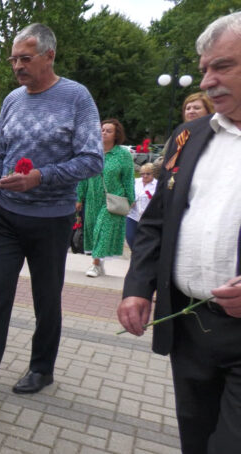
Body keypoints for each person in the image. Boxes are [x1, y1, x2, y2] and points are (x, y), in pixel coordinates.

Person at [0, 23, 103, 416]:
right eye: (13, 59)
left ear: (49, 56)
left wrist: (41, 176)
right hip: (6, 217)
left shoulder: (76, 97)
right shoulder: (12, 100)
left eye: (25, 58)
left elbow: (91, 161)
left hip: (52, 219)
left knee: (46, 300)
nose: (17, 66)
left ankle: (42, 368)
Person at [118, 12, 241, 453]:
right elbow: (155, 221)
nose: (207, 81)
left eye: (222, 66)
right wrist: (137, 287)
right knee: (196, 438)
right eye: (204, 68)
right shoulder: (189, 136)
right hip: (189, 326)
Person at [76, 119, 134, 277]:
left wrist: (131, 198)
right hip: (92, 198)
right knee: (94, 231)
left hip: (114, 198)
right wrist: (79, 198)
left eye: (109, 131)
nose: (104, 133)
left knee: (103, 228)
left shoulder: (123, 155)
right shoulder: (92, 152)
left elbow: (128, 178)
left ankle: (95, 265)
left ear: (116, 135)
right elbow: (83, 176)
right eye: (102, 130)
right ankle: (99, 262)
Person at [125, 163, 156, 250]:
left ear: (153, 174)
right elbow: (128, 193)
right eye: (142, 174)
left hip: (147, 217)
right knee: (130, 237)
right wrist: (130, 200)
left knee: (144, 240)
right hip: (133, 215)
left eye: (148, 174)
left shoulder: (156, 185)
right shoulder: (135, 182)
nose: (145, 176)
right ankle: (135, 253)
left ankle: (140, 255)